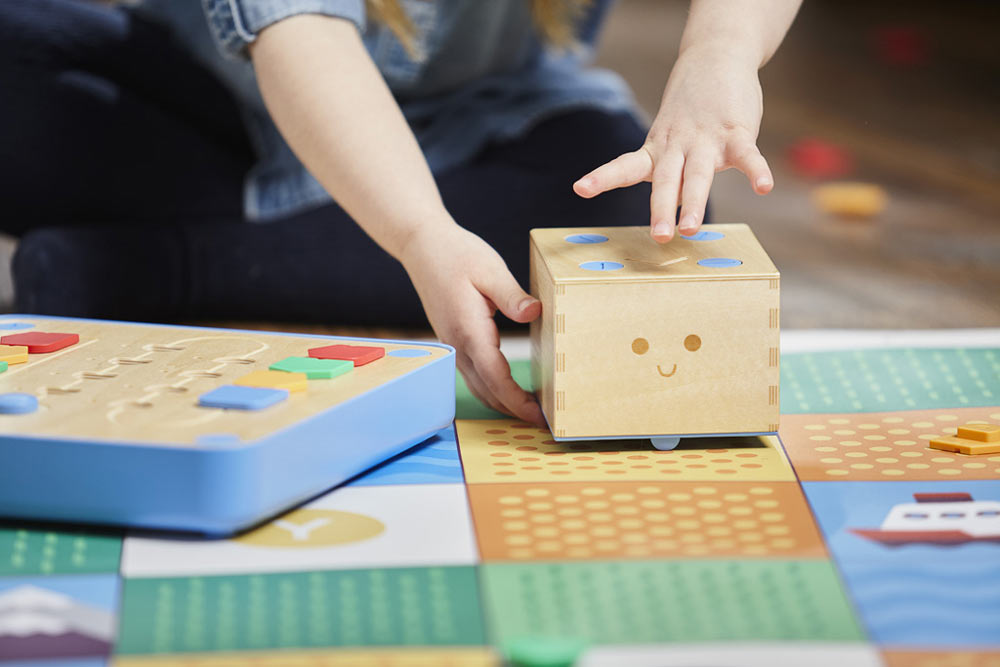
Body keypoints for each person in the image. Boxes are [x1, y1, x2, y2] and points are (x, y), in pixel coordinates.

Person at [0, 0, 800, 423]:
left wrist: (720, 53)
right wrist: (420, 234)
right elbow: (295, 32)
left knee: (621, 196)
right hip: (216, 99)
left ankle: (156, 266)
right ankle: (198, 254)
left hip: (481, 125)